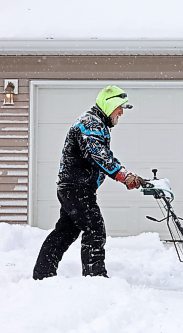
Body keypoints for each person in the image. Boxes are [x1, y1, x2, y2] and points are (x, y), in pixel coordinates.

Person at [33, 85, 144, 280]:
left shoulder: (96, 123)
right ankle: (95, 278)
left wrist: (125, 173)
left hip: (75, 188)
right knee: (95, 228)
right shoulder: (90, 124)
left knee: (66, 231)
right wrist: (123, 176)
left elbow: (105, 155)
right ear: (110, 105)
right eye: (120, 108)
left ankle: (43, 275)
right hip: (76, 188)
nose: (121, 113)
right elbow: (98, 156)